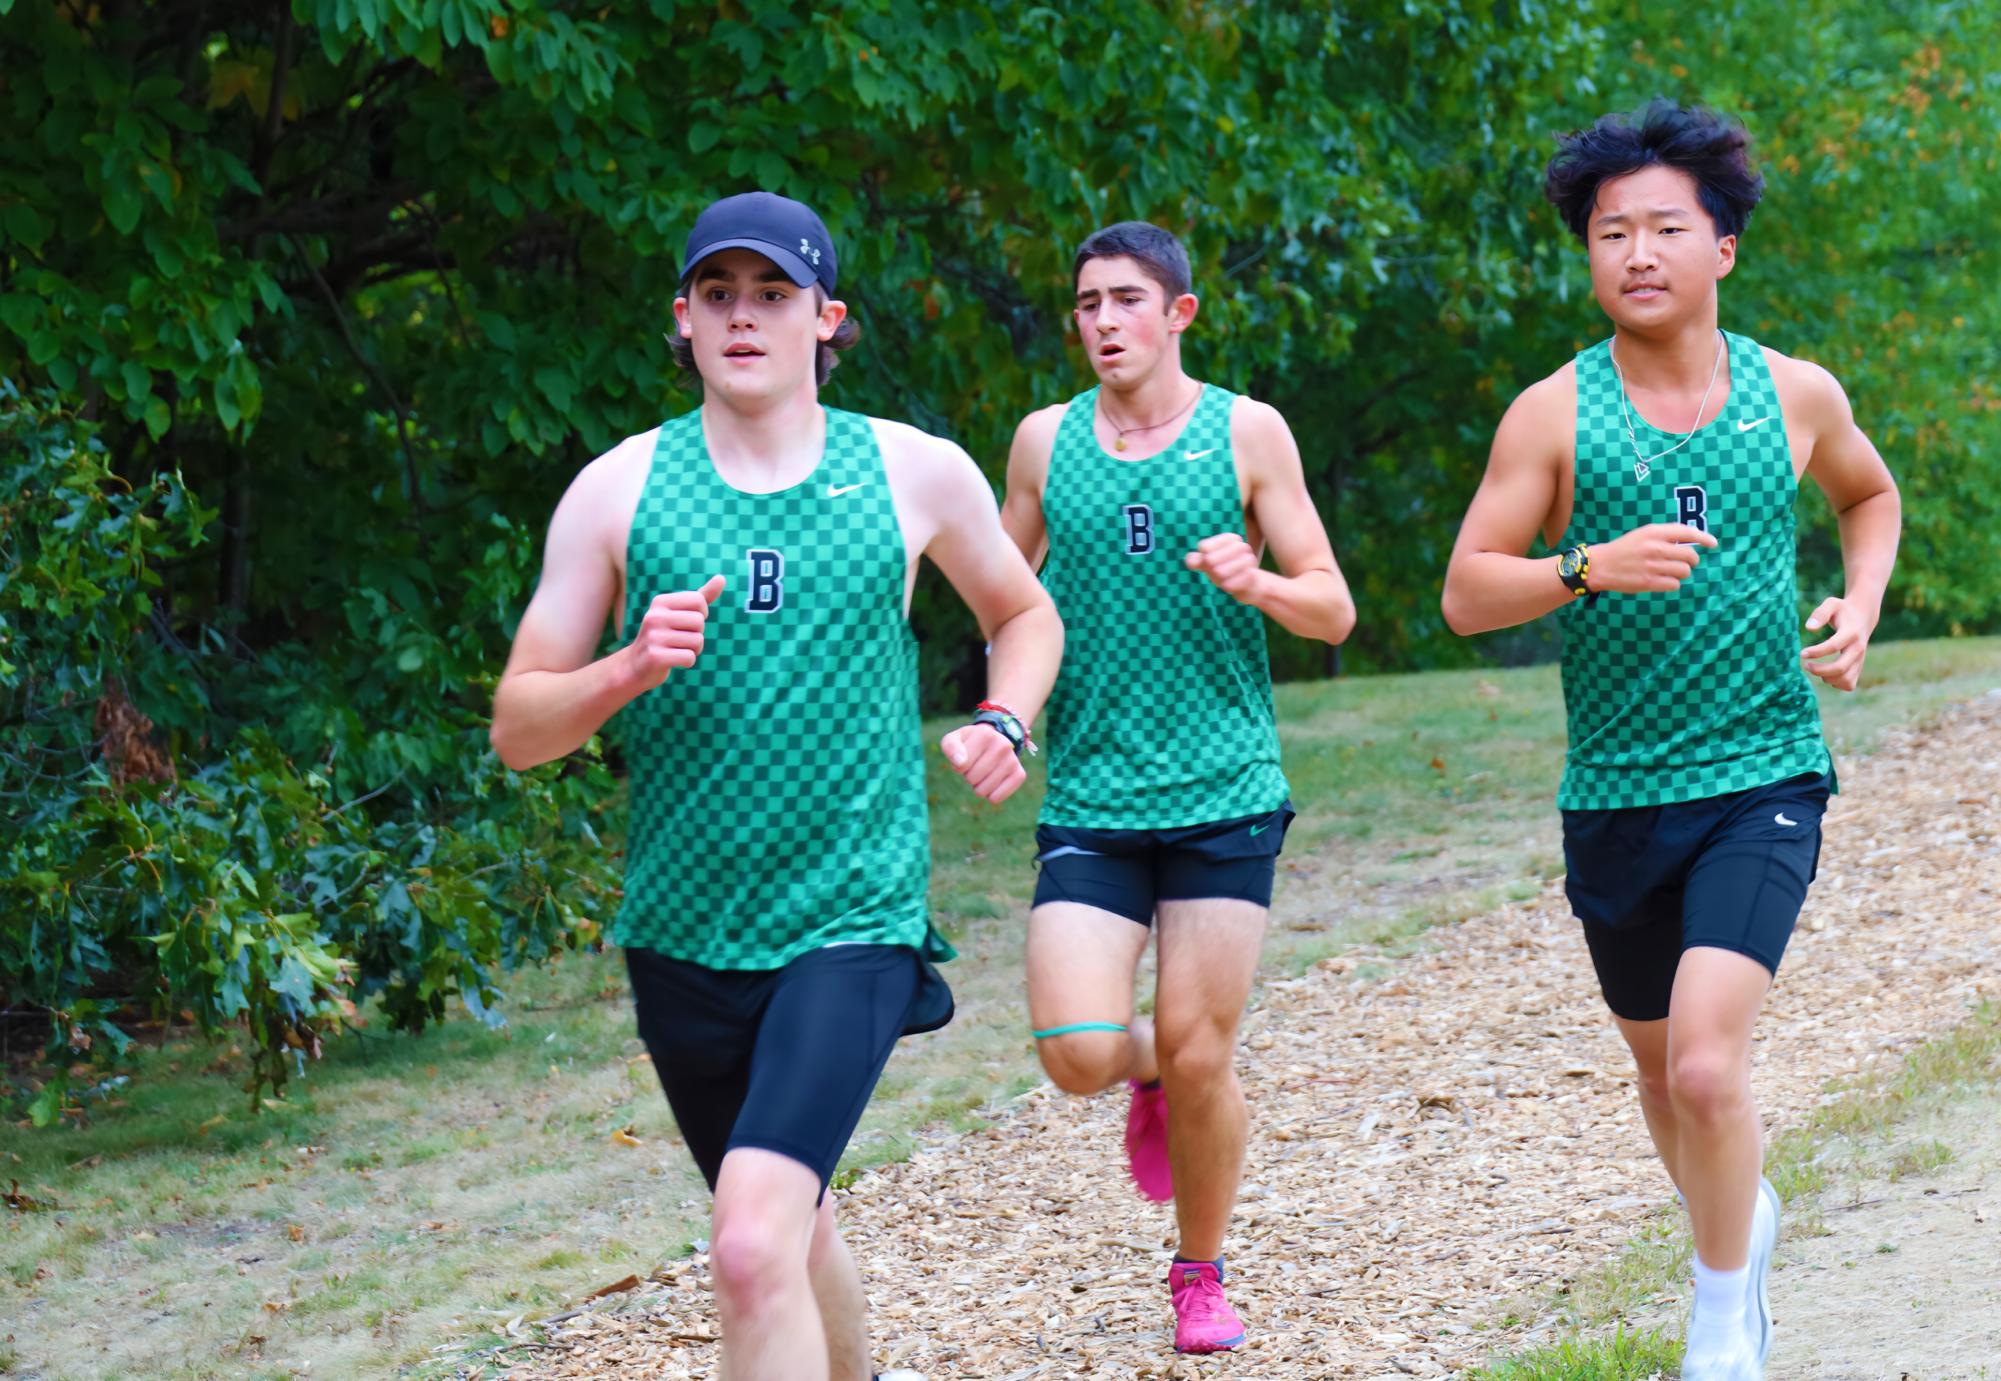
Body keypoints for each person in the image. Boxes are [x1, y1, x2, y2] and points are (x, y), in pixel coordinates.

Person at [489, 191, 1063, 1381]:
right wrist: (629, 666)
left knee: (747, 1243)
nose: (743, 317)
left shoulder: (912, 472)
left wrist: (1006, 712)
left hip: (850, 919)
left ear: (826, 318)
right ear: (684, 322)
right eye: (718, 295)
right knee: (790, 1230)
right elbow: (518, 727)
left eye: (772, 294)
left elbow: (1023, 611)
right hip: (684, 934)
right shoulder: (618, 492)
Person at [1440, 102, 1901, 1380]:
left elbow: (1869, 493)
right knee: (1659, 1068)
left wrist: (1858, 607)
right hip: (1616, 792)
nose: (1636, 253)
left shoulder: (1793, 392)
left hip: (1763, 771)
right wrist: (1585, 567)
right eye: (1610, 234)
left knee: (1707, 1060)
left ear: (1723, 250)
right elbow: (1470, 592)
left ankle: (1721, 1312)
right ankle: (1733, 1219)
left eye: (1664, 229)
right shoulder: (1553, 416)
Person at [998, 221, 1356, 1354]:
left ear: (1179, 313)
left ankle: (1198, 1272)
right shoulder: (1042, 444)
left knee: (1208, 1050)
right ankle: (1148, 1066)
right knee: (1075, 1050)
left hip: (1225, 787)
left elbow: (1333, 607)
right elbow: (1003, 595)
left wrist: (1260, 581)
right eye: (1087, 303)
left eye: (1126, 300)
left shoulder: (1245, 433)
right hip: (1095, 794)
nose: (1103, 321)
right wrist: (1003, 711)